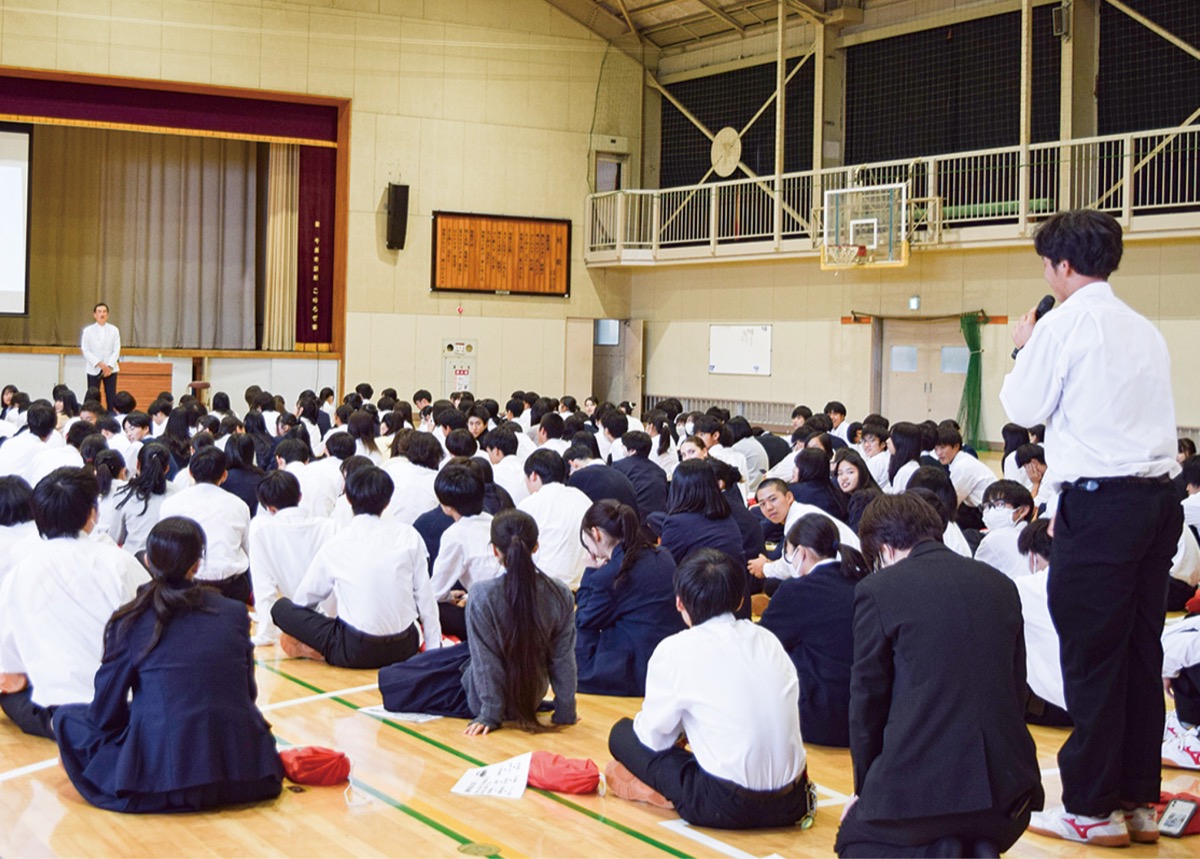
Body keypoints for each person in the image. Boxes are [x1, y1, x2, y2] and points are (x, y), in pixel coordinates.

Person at [1001, 210, 1181, 847]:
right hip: (1160, 505)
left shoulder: (1063, 324)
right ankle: (1137, 803)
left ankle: (1089, 807)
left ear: (1063, 267)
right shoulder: (1143, 328)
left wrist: (1024, 345)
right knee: (1138, 653)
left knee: (1092, 656)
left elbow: (1022, 409)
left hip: (1101, 507)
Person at [835, 494, 1043, 857]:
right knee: (962, 830)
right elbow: (1015, 685)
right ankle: (970, 846)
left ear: (883, 550)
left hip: (924, 792)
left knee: (853, 840)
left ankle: (944, 849)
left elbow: (867, 698)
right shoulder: (1000, 584)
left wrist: (866, 788)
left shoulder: (878, 590)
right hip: (1009, 794)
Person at [52, 517, 283, 812]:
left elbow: (104, 712)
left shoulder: (131, 619)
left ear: (148, 560)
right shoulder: (234, 612)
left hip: (159, 783)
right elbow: (247, 693)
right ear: (196, 564)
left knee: (67, 719)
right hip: (246, 774)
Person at [606, 548, 814, 829]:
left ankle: (655, 791)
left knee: (621, 734)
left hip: (725, 806)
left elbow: (654, 740)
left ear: (680, 604)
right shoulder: (766, 639)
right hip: (793, 801)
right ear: (740, 599)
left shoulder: (675, 649)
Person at [378, 509, 577, 734]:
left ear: (494, 550)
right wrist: (566, 710)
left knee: (393, 680)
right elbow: (563, 658)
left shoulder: (483, 594)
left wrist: (490, 714)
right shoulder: (560, 593)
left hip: (485, 697)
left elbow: (486, 662)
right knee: (446, 660)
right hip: (531, 694)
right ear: (536, 547)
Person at [0, 468, 148, 738]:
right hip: (124, 699)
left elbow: (10, 660)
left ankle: (64, 725)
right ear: (93, 513)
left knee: (11, 693)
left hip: (61, 700)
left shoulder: (21, 570)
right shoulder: (120, 563)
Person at [273, 465, 440, 668]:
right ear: (388, 501)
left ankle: (318, 649)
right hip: (405, 646)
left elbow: (303, 600)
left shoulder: (337, 543)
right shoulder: (409, 535)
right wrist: (434, 652)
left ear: (348, 499)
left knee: (281, 609)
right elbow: (426, 599)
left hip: (356, 651)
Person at [759, 514, 870, 748]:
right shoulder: (862, 581)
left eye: (788, 553)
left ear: (801, 552)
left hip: (822, 718)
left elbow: (763, 645)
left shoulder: (796, 591)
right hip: (867, 715)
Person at [575, 500, 683, 696]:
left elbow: (584, 619)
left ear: (596, 533)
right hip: (672, 660)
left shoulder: (609, 576)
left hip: (635, 670)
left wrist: (589, 572)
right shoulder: (663, 555)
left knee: (578, 635)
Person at [247, 471, 337, 647]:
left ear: (269, 508)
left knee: (281, 609)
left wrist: (265, 634)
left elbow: (264, 589)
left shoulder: (260, 530)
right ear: (300, 496)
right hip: (335, 619)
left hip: (297, 618)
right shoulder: (329, 526)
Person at [158, 447, 252, 603]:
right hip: (230, 589)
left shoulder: (170, 504)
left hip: (183, 585)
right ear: (224, 475)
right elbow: (248, 549)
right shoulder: (239, 505)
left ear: (190, 474)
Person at [426, 464, 500, 640]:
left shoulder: (455, 534)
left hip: (490, 618)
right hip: (509, 606)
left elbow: (435, 592)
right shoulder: (493, 521)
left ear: (447, 506)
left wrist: (448, 596)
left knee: (427, 607)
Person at [517, 449, 593, 589]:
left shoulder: (529, 504)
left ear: (533, 475)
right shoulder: (583, 499)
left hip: (544, 588)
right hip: (582, 586)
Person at [972, 480, 1034, 580]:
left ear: (1022, 510)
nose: (991, 511)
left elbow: (977, 580)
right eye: (987, 506)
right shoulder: (1036, 534)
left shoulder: (993, 539)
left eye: (999, 504)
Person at [81, 302, 121, 412]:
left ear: (107, 315)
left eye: (104, 312)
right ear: (94, 315)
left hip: (110, 369)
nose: (102, 314)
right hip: (93, 368)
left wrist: (109, 366)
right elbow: (86, 350)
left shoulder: (114, 330)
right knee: (93, 395)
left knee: (111, 396)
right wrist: (99, 363)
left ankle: (111, 418)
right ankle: (94, 417)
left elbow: (116, 349)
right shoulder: (88, 331)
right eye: (99, 312)